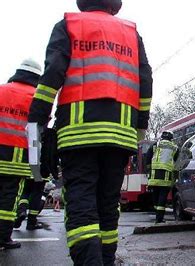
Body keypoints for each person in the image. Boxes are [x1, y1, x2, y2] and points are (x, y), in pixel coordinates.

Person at [27, 0, 153, 264]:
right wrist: (140, 125)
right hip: (121, 135)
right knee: (108, 205)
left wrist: (38, 121)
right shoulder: (131, 33)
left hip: (78, 134)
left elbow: (52, 76)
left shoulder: (69, 25)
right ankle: (106, 260)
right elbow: (145, 79)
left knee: (81, 202)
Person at [0, 59, 42, 250]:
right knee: (9, 197)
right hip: (17, 156)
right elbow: (37, 131)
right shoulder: (36, 96)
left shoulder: (2, 90)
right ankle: (3, 236)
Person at [148, 131, 179, 223]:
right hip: (166, 175)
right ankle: (159, 218)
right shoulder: (174, 147)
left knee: (155, 195)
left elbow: (148, 157)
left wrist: (148, 169)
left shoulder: (155, 145)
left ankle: (157, 213)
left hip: (154, 175)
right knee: (163, 196)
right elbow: (176, 159)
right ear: (171, 138)